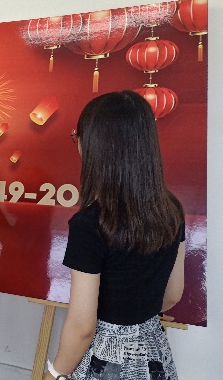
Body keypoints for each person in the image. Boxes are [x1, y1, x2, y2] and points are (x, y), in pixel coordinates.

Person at [44, 90, 185, 380]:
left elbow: (82, 326)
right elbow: (172, 294)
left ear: (95, 145)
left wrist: (54, 374)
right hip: (154, 355)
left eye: (77, 136)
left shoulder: (90, 224)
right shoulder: (172, 209)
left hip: (105, 360)